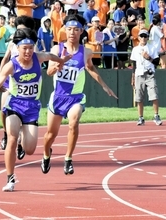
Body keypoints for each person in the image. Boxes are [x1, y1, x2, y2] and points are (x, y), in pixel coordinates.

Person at [0, 28, 72, 192]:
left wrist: (61, 61)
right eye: (24, 48)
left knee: (30, 149)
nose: (28, 51)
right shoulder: (11, 65)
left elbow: (50, 56)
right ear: (17, 48)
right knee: (11, 138)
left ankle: (23, 141)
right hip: (14, 105)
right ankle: (10, 178)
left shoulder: (38, 57)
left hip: (32, 108)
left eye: (30, 47)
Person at [40, 14, 117, 175]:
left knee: (73, 122)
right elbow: (48, 72)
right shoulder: (57, 49)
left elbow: (90, 68)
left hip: (75, 97)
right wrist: (59, 64)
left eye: (75, 30)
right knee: (50, 135)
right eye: (69, 29)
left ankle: (68, 158)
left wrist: (104, 85)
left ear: (81, 31)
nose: (72, 33)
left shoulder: (86, 52)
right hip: (58, 98)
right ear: (65, 31)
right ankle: (46, 154)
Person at [0, 15, 36, 159]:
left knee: (20, 114)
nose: (19, 33)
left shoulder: (32, 46)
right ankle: (5, 134)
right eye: (17, 30)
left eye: (22, 30)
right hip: (10, 80)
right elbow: (5, 58)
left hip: (24, 82)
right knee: (4, 109)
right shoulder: (13, 43)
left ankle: (20, 142)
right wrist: (0, 76)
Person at [130, 29, 162, 126]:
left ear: (147, 38)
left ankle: (156, 115)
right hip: (139, 74)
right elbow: (134, 64)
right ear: (138, 37)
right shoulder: (135, 49)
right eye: (141, 36)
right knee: (139, 97)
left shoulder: (151, 48)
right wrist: (133, 76)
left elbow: (157, 62)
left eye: (145, 36)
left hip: (149, 74)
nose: (143, 38)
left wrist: (148, 57)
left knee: (154, 95)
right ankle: (141, 117)